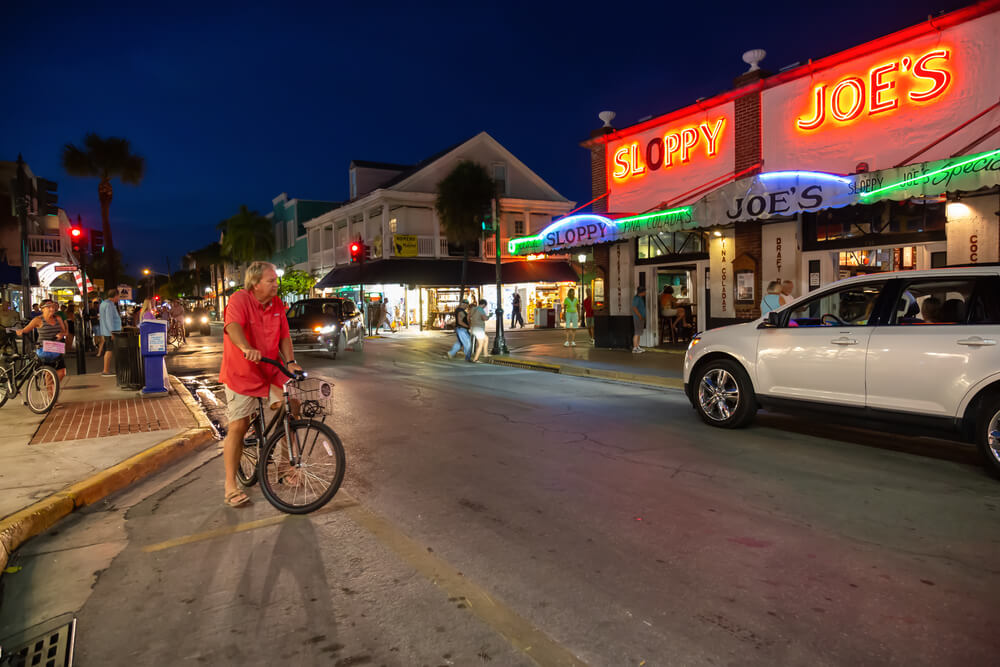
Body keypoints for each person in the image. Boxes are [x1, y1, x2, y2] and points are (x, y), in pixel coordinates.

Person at [219, 261, 302, 508]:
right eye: (271, 280)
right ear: (255, 283)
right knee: (238, 425)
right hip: (242, 372)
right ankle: (230, 485)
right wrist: (245, 347)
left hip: (269, 370)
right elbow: (233, 327)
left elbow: (284, 335)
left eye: (276, 280)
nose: (276, 284)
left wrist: (291, 361)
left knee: (292, 407)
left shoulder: (277, 304)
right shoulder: (239, 300)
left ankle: (284, 467)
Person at [17, 299, 69, 383]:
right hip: (44, 347)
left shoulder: (58, 318)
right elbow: (26, 329)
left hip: (57, 347)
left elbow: (65, 332)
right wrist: (20, 331)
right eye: (49, 307)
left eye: (53, 307)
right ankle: (51, 392)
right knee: (49, 372)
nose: (52, 309)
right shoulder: (38, 319)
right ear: (42, 308)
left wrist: (62, 334)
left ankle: (53, 384)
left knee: (62, 372)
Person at [99, 288, 122, 377]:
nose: (118, 298)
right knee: (109, 350)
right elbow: (109, 319)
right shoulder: (109, 305)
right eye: (118, 296)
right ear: (115, 296)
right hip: (111, 331)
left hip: (106, 331)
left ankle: (106, 369)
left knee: (109, 350)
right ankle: (106, 370)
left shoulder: (103, 303)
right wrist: (112, 331)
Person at [631, 286, 647, 354]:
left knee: (639, 333)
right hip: (638, 318)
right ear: (642, 292)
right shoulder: (637, 299)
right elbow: (634, 308)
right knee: (637, 333)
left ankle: (637, 346)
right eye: (645, 291)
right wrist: (640, 316)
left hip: (640, 318)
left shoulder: (640, 298)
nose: (646, 293)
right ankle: (634, 348)